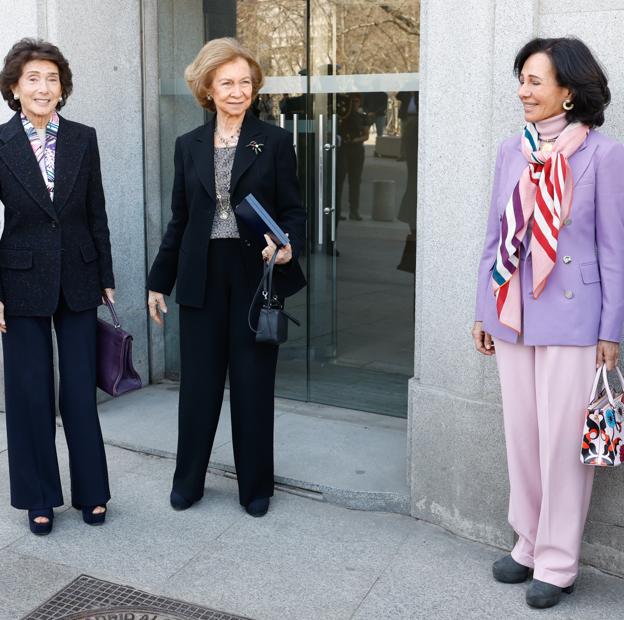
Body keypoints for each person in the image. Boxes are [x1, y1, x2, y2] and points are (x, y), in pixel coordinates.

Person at [473, 37, 624, 609]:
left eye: (535, 81)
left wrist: (611, 329)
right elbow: (494, 237)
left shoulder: (604, 156)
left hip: (575, 319)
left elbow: (615, 250)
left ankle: (559, 562)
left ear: (569, 90)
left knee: (563, 445)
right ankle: (528, 543)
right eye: (522, 79)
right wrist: (484, 310)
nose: (523, 91)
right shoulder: (513, 150)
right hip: (514, 312)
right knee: (522, 438)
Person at [147, 38, 306, 518]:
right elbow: (180, 220)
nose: (237, 92)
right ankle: (188, 481)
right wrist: (160, 280)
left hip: (254, 274)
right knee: (198, 384)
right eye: (227, 83)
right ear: (208, 88)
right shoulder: (187, 145)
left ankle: (255, 486)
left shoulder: (274, 140)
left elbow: (294, 210)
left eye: (245, 83)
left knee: (253, 383)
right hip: (200, 275)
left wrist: (287, 245)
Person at [0, 39, 115, 535]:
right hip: (19, 280)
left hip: (79, 276)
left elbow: (96, 212)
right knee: (30, 394)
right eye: (33, 79)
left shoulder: (83, 138)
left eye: (52, 79)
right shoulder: (0, 145)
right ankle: (39, 497)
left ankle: (93, 492)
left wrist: (106, 276)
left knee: (79, 395)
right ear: (14, 88)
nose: (44, 88)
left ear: (62, 88)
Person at [336, 93, 370, 222]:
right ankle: (338, 211)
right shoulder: (344, 116)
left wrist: (356, 140)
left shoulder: (362, 117)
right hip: (344, 149)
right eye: (352, 101)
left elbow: (366, 135)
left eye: (356, 101)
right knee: (339, 182)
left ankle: (354, 211)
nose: (354, 104)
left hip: (356, 150)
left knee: (355, 182)